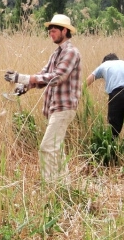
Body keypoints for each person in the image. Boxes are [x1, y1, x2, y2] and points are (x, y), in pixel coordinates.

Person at [4, 14, 82, 183]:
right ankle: (64, 186)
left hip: (64, 107)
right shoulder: (56, 54)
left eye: (54, 31)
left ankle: (51, 187)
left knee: (46, 148)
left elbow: (57, 77)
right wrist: (23, 87)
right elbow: (43, 75)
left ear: (65, 31)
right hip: (55, 108)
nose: (51, 34)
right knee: (56, 149)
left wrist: (22, 77)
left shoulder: (71, 52)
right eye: (50, 31)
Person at [86, 53, 124, 144]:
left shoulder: (104, 65)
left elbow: (89, 79)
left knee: (113, 126)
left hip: (115, 93)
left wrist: (78, 93)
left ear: (105, 61)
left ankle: (111, 149)